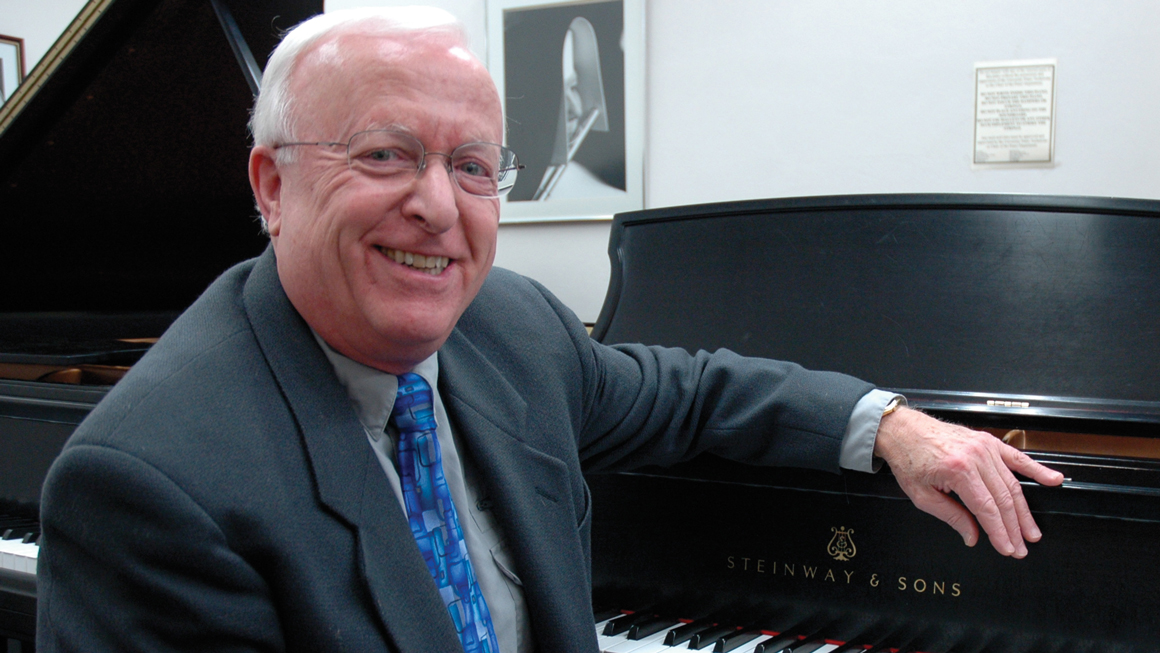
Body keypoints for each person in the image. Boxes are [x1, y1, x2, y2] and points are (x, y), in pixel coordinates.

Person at [36, 7, 1063, 653]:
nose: (439, 206)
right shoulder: (149, 485)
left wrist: (891, 425)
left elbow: (692, 389)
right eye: (387, 155)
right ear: (271, 183)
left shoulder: (509, 325)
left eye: (474, 167)